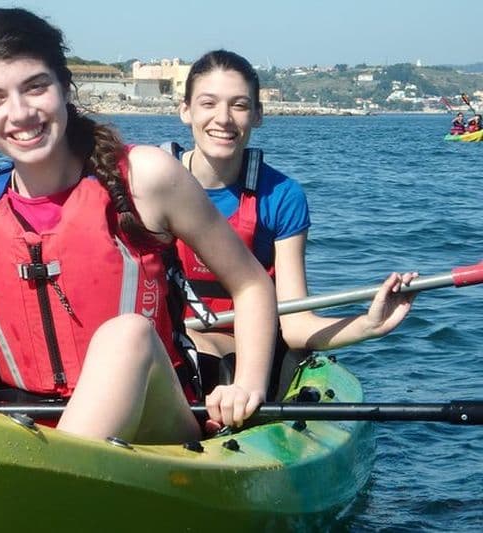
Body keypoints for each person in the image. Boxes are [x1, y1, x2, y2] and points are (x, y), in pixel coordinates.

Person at [0, 8, 278, 444]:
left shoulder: (146, 178)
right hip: (30, 429)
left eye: (36, 87)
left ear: (65, 87)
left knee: (127, 334)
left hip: (156, 430)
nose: (20, 113)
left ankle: (53, 472)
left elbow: (251, 284)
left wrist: (247, 385)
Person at [171, 49, 417, 372]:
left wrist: (368, 324)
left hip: (237, 352)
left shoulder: (282, 197)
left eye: (239, 105)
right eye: (208, 103)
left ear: (258, 115)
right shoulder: (149, 183)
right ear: (185, 110)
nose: (223, 118)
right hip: (160, 341)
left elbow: (296, 324)